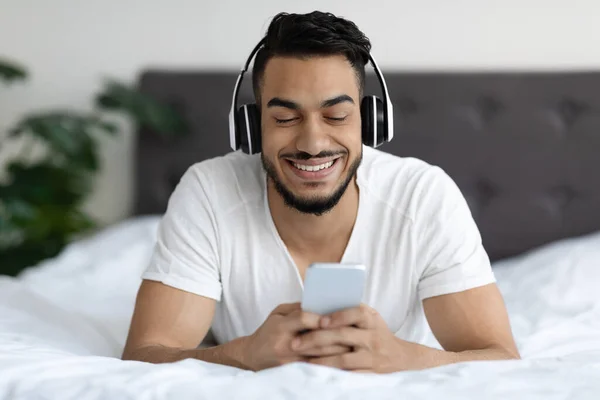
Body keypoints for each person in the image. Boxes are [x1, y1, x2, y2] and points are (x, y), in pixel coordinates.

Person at [121, 10, 520, 373]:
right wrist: (243, 354)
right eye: (285, 117)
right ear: (252, 127)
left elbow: (500, 358)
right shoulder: (208, 193)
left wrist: (400, 356)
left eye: (337, 115)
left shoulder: (424, 197)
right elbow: (145, 354)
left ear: (370, 122)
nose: (312, 142)